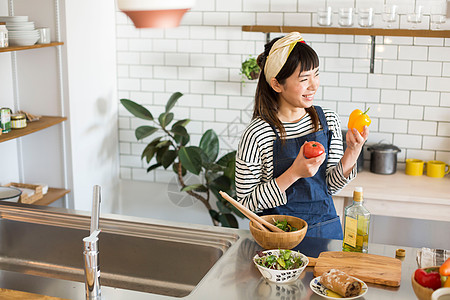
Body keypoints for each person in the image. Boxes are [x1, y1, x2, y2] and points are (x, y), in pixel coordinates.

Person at [235, 32, 368, 240]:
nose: (314, 85)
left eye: (316, 74)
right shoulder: (257, 133)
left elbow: (330, 186)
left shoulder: (327, 121)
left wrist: (353, 151)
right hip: (278, 239)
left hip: (325, 232)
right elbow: (245, 203)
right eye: (304, 79)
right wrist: (293, 173)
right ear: (277, 84)